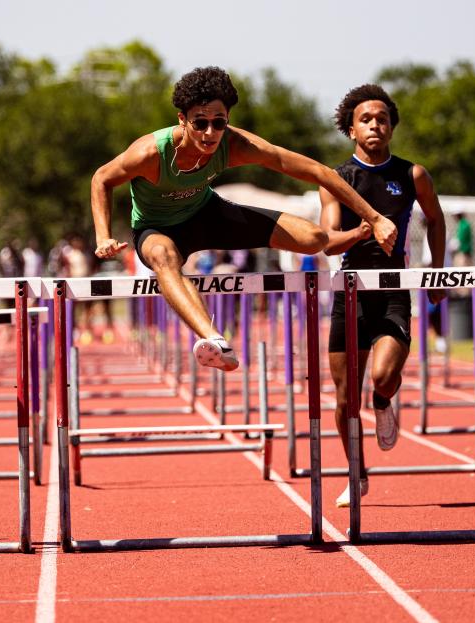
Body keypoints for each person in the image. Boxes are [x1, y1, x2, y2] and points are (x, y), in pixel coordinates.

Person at [91, 66, 398, 370]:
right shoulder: (150, 153)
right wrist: (103, 235)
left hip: (207, 214)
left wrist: (374, 217)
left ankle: (355, 233)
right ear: (182, 120)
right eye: (200, 123)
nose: (210, 133)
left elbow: (316, 171)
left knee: (313, 239)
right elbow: (101, 178)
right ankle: (214, 340)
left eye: (218, 122)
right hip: (157, 228)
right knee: (163, 255)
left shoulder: (235, 144)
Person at [320, 84, 445, 507]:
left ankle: (384, 400)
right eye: (366, 120)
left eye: (383, 119)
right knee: (342, 397)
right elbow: (327, 241)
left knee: (383, 376)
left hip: (393, 289)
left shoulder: (413, 175)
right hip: (350, 292)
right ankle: (357, 473)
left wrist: (438, 271)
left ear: (392, 127)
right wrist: (365, 229)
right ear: (352, 130)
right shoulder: (337, 179)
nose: (376, 125)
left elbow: (436, 219)